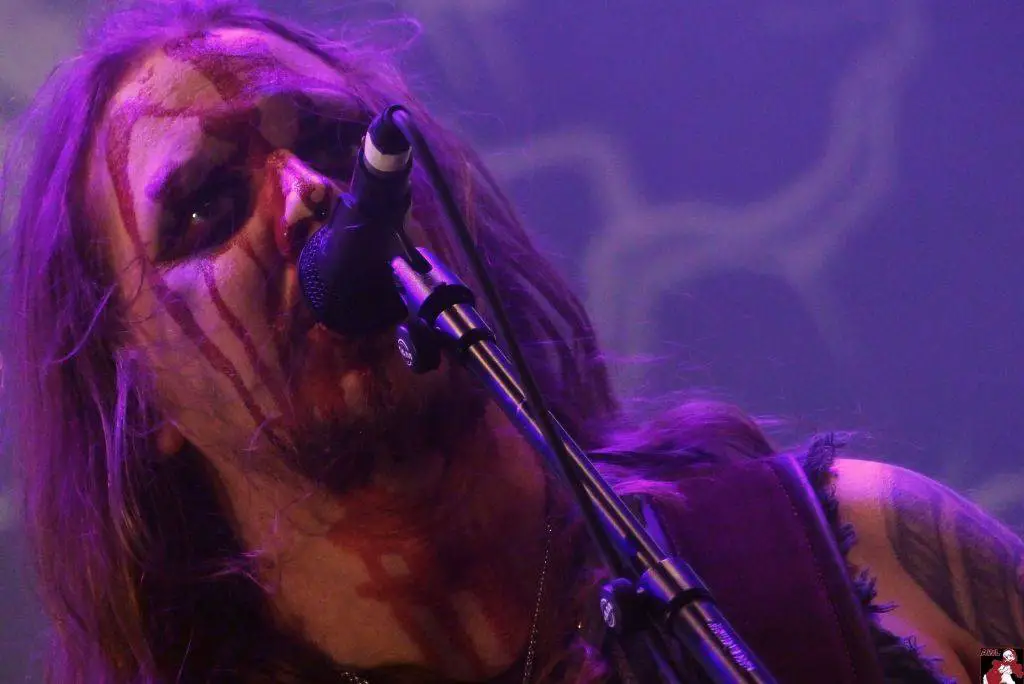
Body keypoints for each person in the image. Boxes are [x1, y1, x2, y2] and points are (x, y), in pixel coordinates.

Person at [2, 1, 1021, 682]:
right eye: (209, 206)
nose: (313, 195)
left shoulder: (862, 552)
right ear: (137, 392)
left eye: (339, 142)